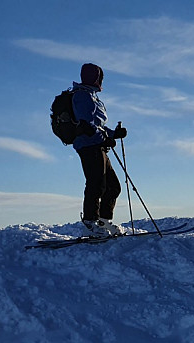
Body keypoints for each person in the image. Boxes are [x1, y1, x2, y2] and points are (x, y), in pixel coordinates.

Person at [72, 63, 127, 237]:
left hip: (98, 145)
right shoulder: (82, 96)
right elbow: (87, 125)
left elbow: (97, 126)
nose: (101, 80)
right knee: (96, 184)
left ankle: (103, 222)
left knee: (113, 186)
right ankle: (90, 224)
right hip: (88, 146)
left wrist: (113, 134)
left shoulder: (91, 96)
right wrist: (106, 137)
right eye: (99, 77)